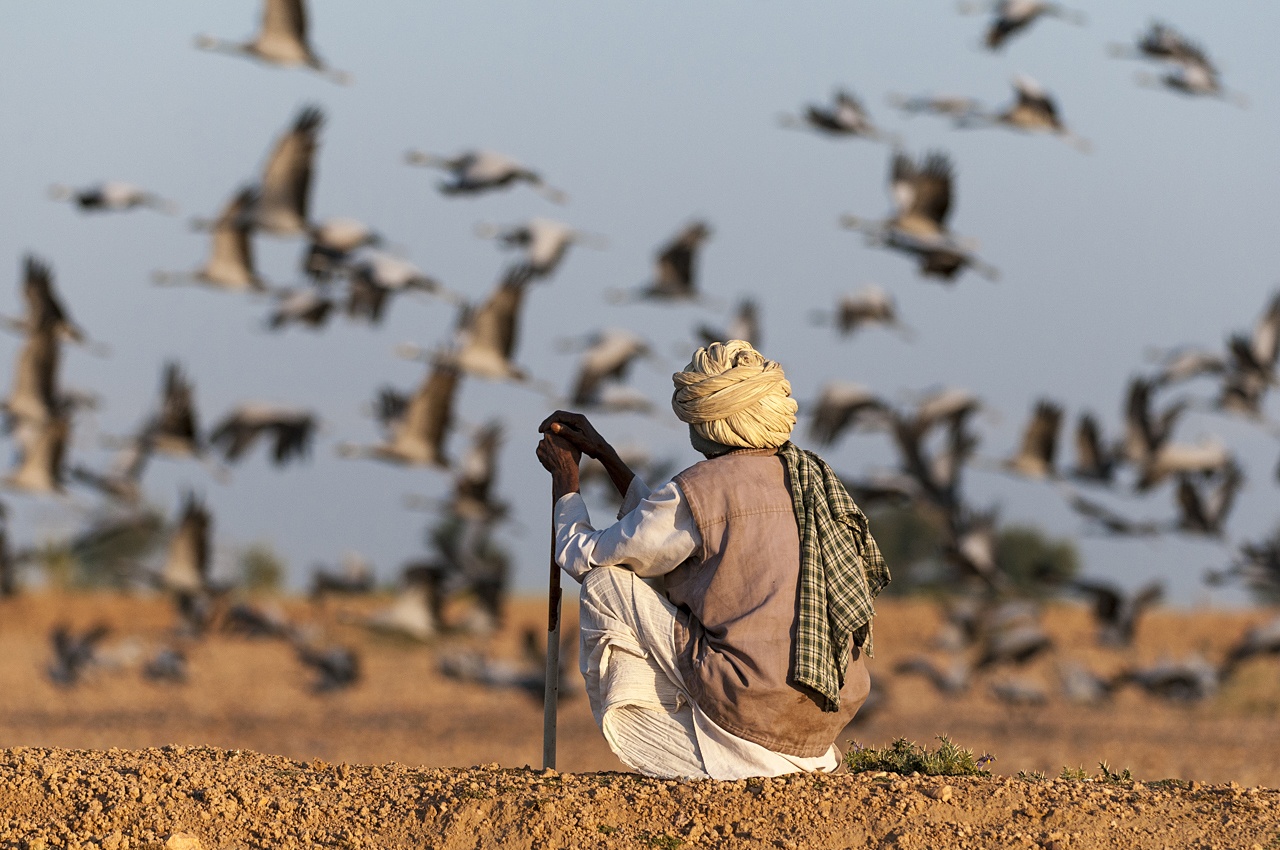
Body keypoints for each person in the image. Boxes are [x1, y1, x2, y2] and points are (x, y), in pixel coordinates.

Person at [535, 340, 890, 780]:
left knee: (603, 582)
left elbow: (582, 555)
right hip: (820, 717)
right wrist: (607, 456)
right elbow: (664, 532)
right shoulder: (812, 479)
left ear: (706, 421)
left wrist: (567, 482)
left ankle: (683, 742)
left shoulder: (701, 488)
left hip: (746, 705)